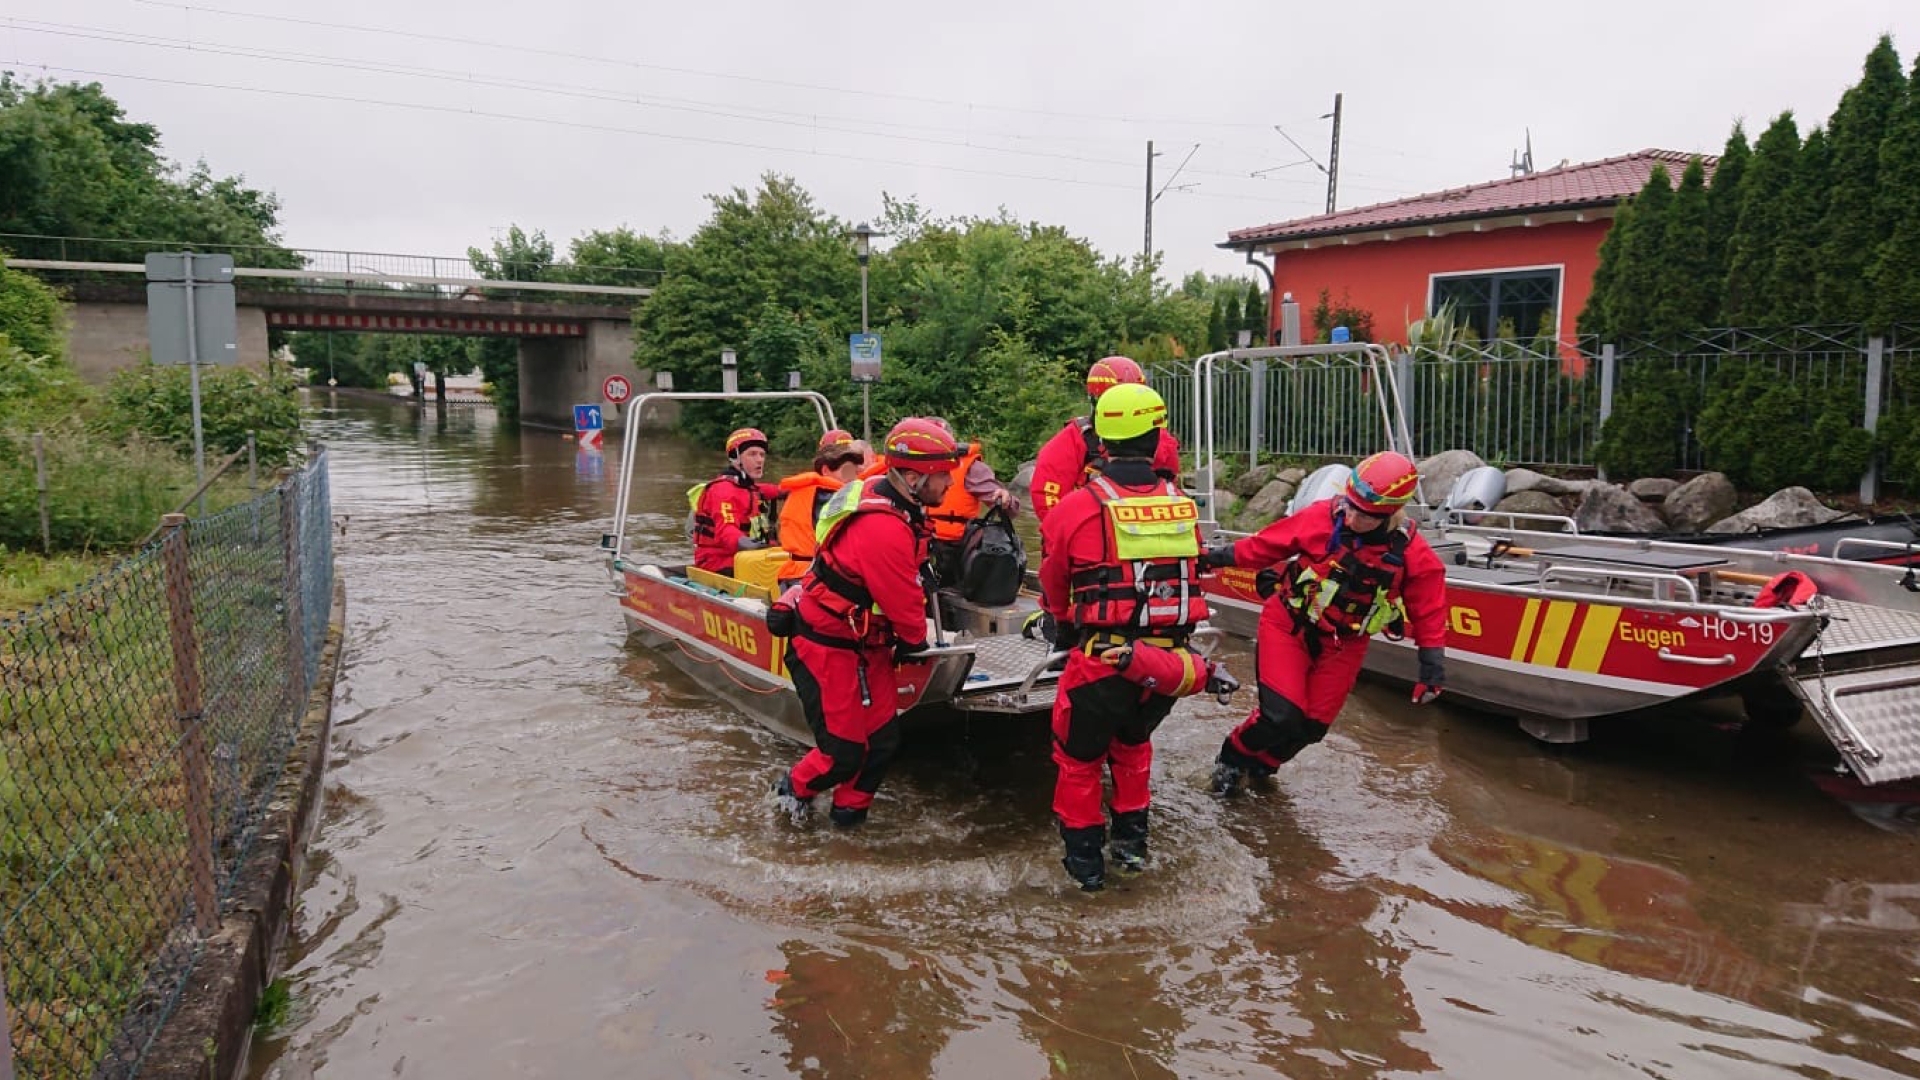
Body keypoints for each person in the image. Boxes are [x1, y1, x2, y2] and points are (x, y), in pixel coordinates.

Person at [1037, 383, 1235, 891]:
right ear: (1156, 438)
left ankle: (1086, 875)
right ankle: (1132, 853)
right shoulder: (1182, 507)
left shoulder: (1077, 508)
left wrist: (1061, 622)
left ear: (1100, 440)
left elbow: (1054, 579)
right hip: (1168, 667)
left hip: (1102, 661)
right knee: (1133, 748)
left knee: (1078, 763)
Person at [1198, 451, 1449, 796]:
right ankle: (1231, 759)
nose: (1350, 515)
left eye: (1362, 513)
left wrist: (1431, 670)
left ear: (1388, 514)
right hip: (1289, 625)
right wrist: (1210, 558)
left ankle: (1262, 769)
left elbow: (1429, 610)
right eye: (1349, 504)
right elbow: (1262, 547)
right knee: (1281, 716)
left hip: (1344, 643)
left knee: (1312, 727)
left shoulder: (1412, 555)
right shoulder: (1321, 518)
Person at [772, 417, 959, 827]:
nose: (949, 484)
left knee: (880, 742)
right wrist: (915, 642)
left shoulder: (889, 498)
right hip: (827, 641)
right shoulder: (883, 527)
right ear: (912, 477)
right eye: (943, 475)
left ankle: (848, 819)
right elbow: (903, 600)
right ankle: (791, 792)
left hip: (866, 642)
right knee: (842, 753)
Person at [1029, 355, 1184, 526]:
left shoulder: (1161, 441)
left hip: (1139, 532)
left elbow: (1169, 491)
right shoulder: (1074, 441)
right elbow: (1049, 500)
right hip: (1094, 529)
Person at [924, 418, 1019, 587]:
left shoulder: (971, 468)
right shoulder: (910, 471)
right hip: (922, 542)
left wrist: (1006, 500)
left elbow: (1009, 508)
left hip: (954, 547)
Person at [773, 429, 864, 580]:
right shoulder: (827, 496)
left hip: (796, 571)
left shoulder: (806, 489)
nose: (853, 479)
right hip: (811, 575)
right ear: (826, 470)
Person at [691, 427, 781, 575]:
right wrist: (747, 543)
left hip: (749, 556)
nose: (759, 460)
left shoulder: (751, 489)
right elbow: (726, 530)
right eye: (752, 454)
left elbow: (780, 489)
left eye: (762, 455)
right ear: (735, 457)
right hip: (716, 561)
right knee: (774, 572)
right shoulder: (722, 491)